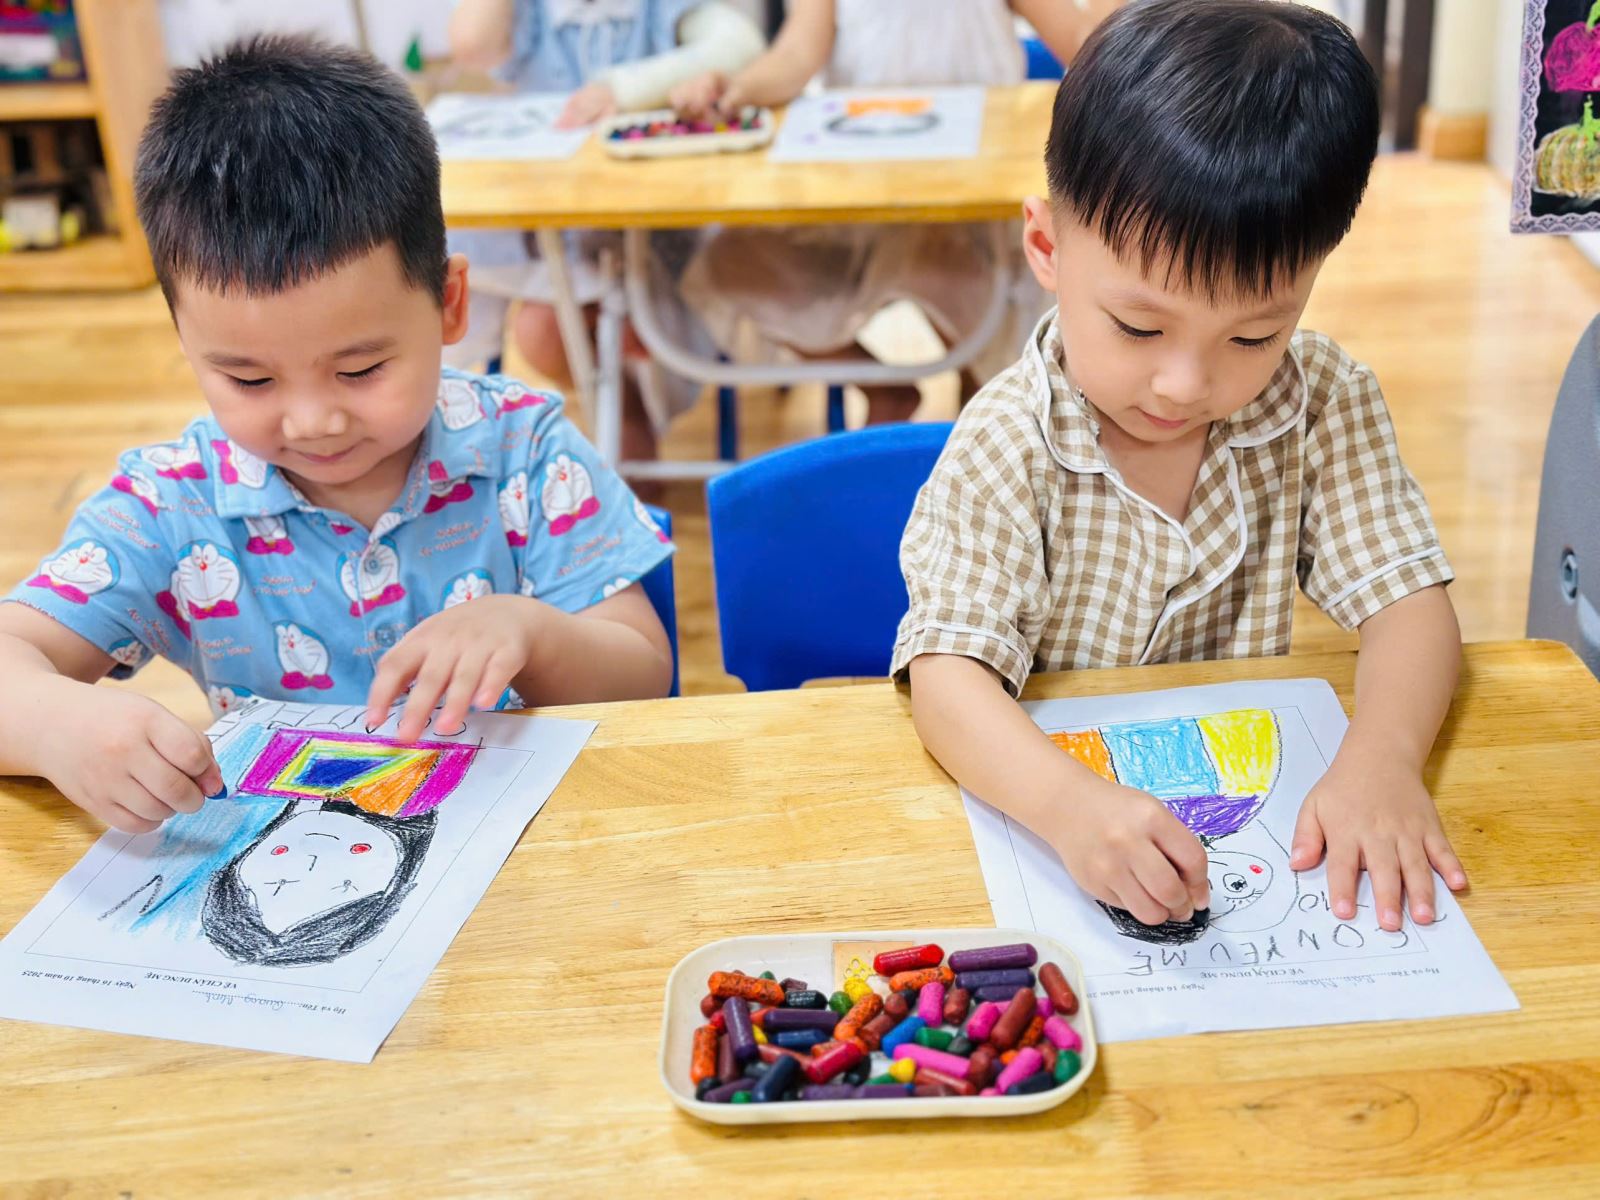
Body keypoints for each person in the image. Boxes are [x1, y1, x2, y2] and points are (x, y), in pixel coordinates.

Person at [0, 36, 675, 835]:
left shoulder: (523, 450)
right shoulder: (171, 505)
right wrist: (54, 724)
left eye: (360, 369)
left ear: (450, 304)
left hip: (534, 848)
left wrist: (532, 633)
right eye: (250, 380)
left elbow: (643, 673)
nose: (313, 420)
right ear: (185, 338)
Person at [895, 1, 1466, 937]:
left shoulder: (1320, 401)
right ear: (1046, 246)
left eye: (1253, 335)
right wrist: (1069, 807)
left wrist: (1385, 758)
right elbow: (947, 680)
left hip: (1235, 817)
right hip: (1049, 827)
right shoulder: (1009, 441)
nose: (1186, 384)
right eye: (1138, 327)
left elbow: (1410, 604)